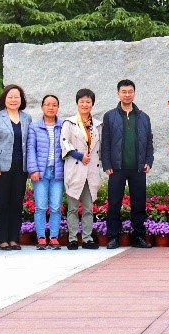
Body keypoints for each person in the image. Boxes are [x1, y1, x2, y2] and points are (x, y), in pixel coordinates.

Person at [101, 79, 154, 249]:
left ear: (134, 93)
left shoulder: (143, 117)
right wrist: (106, 163)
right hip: (116, 168)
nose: (127, 95)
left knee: (138, 204)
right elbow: (106, 141)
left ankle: (138, 237)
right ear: (118, 94)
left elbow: (149, 142)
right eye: (123, 92)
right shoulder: (110, 116)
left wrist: (149, 161)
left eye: (130, 91)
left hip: (138, 168)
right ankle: (113, 237)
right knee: (114, 204)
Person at [0, 84, 32, 251]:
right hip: (1, 167)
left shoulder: (27, 118)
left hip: (21, 167)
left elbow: (29, 143)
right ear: (4, 99)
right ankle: (2, 239)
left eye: (16, 97)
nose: (13, 100)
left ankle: (13, 238)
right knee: (2, 202)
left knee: (16, 202)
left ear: (21, 100)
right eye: (10, 97)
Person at [61, 89, 103, 250]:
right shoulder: (69, 123)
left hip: (91, 170)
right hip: (75, 167)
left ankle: (87, 238)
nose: (85, 104)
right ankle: (72, 238)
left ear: (92, 104)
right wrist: (79, 156)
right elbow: (64, 142)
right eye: (82, 102)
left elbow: (101, 147)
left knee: (88, 208)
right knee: (72, 207)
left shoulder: (97, 125)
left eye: (88, 102)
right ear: (77, 103)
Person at [27, 94, 65, 248]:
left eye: (54, 105)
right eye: (47, 104)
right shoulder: (34, 126)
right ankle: (41, 237)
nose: (51, 107)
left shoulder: (63, 125)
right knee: (41, 206)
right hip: (41, 172)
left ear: (58, 107)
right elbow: (30, 149)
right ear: (42, 107)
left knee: (56, 207)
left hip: (58, 172)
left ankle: (54, 237)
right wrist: (33, 169)